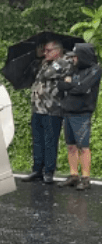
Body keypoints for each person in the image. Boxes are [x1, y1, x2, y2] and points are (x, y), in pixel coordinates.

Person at [22, 40, 71, 184]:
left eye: (48, 50)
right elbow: (34, 76)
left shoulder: (62, 62)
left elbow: (46, 75)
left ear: (57, 51)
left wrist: (43, 61)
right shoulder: (44, 63)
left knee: (50, 141)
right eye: (44, 51)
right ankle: (37, 169)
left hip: (52, 109)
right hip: (38, 108)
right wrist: (39, 59)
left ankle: (48, 171)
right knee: (38, 140)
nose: (45, 53)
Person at [56, 43, 101, 191]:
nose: (73, 59)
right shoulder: (73, 69)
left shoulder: (95, 69)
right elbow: (61, 84)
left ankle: (86, 178)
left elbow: (83, 87)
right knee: (71, 146)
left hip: (82, 113)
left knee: (83, 146)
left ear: (83, 56)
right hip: (68, 111)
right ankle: (74, 175)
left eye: (75, 56)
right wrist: (72, 85)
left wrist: (71, 84)